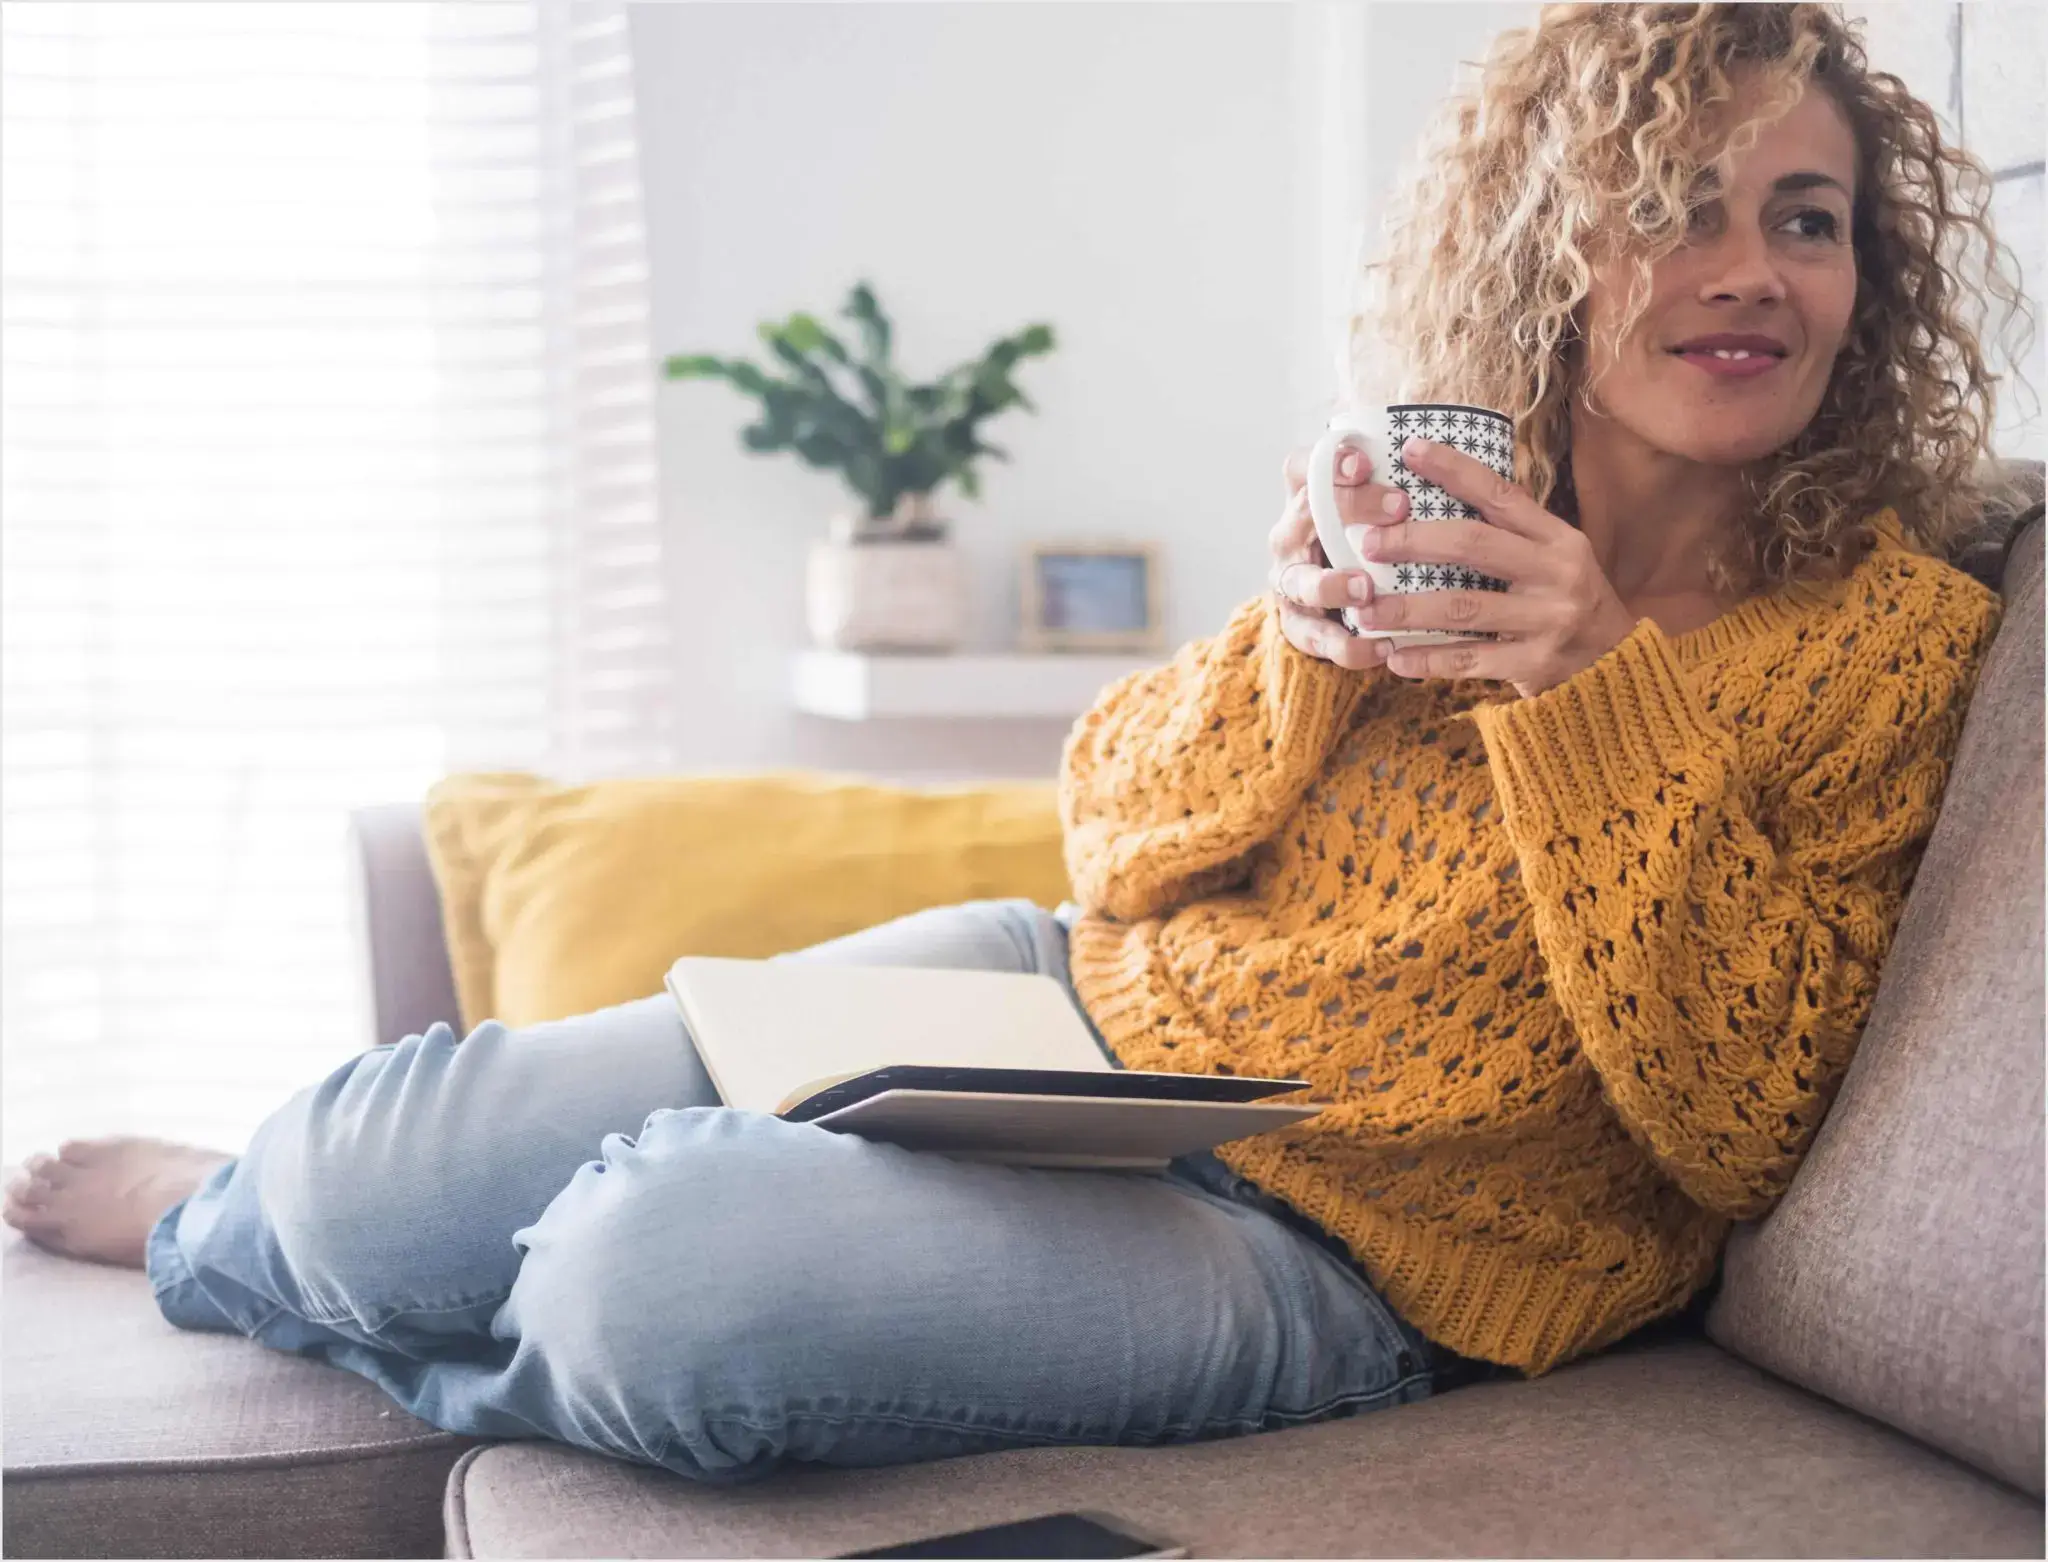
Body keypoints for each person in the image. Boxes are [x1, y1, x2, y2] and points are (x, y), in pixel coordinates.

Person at [5, 2, 2025, 1484]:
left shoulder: (1896, 637)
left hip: (1362, 1255)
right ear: (1549, 253)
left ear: (1873, 272)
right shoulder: (1430, 506)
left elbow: (1748, 1123)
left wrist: (1588, 697)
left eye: (1810, 217)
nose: (1752, 269)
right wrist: (1291, 645)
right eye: (1676, 206)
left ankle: (537, 1256)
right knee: (366, 1166)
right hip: (1068, 1007)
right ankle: (246, 1222)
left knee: (658, 1284)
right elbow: (1118, 836)